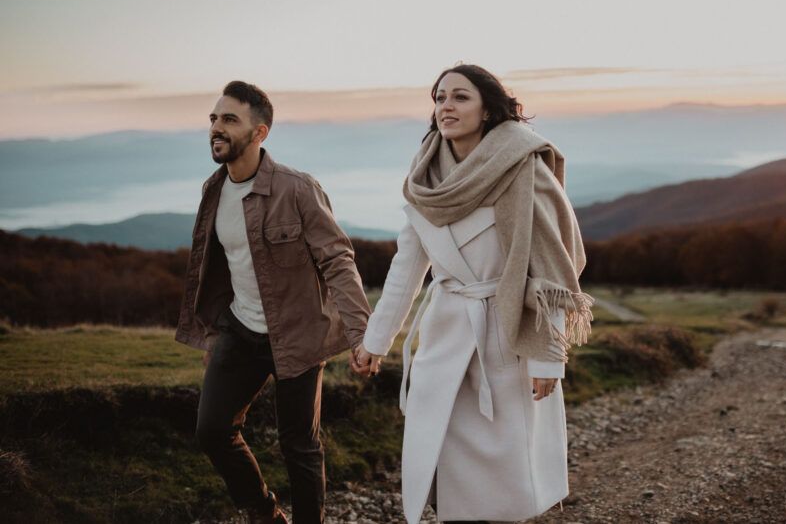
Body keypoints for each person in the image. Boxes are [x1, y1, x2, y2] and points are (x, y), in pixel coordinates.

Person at [350, 64, 593, 524]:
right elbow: (406, 269)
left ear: (487, 108)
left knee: (504, 478)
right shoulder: (427, 178)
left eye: (460, 97)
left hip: (505, 338)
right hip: (444, 338)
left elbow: (551, 269)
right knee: (447, 462)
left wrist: (548, 360)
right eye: (440, 98)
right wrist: (374, 341)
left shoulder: (523, 168)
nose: (446, 107)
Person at [175, 81, 371, 524]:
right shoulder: (214, 190)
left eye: (229, 120)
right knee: (212, 430)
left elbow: (338, 261)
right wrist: (213, 329)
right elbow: (219, 268)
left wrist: (362, 335)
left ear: (260, 132)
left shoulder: (297, 189)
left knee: (299, 444)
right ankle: (264, 513)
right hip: (239, 330)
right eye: (213, 118)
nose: (216, 128)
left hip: (298, 334)